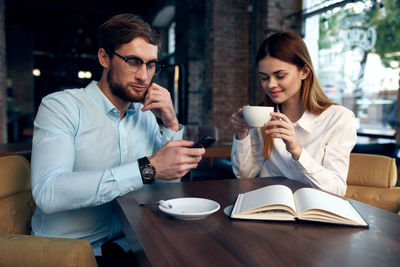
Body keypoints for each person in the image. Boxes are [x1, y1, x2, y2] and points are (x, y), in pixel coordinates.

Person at [30, 14, 205, 266]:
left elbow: (167, 183)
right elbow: (48, 192)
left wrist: (171, 124)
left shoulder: (145, 116)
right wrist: (147, 168)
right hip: (70, 252)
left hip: (132, 244)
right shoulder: (61, 106)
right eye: (133, 62)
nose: (144, 76)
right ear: (104, 58)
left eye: (151, 64)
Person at [230, 32, 356, 196]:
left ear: (304, 71)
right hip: (269, 206)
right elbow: (245, 175)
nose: (271, 85)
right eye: (264, 78)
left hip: (315, 211)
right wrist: (242, 133)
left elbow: (337, 190)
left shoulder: (338, 118)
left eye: (280, 75)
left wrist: (297, 150)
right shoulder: (264, 116)